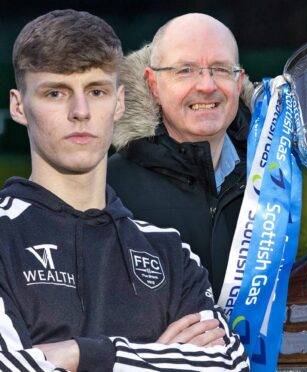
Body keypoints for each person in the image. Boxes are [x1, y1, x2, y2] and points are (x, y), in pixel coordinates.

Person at [1, 10, 248, 371]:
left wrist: (80, 354)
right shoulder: (5, 239)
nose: (80, 111)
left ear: (118, 102)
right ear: (19, 106)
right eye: (56, 92)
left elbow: (228, 362)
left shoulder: (171, 254)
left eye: (96, 91)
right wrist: (162, 357)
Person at [108, 13, 254, 300]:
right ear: (153, 84)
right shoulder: (107, 189)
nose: (206, 85)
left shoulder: (274, 179)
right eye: (185, 70)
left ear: (239, 82)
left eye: (221, 69)